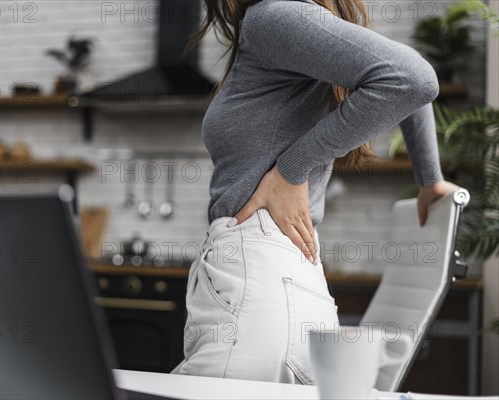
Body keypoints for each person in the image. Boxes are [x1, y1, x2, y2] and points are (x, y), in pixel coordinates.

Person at [170, 0, 460, 384]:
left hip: (259, 287)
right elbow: (408, 70)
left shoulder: (271, 17)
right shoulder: (289, 21)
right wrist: (429, 179)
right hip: (274, 284)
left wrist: (292, 169)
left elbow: (413, 79)